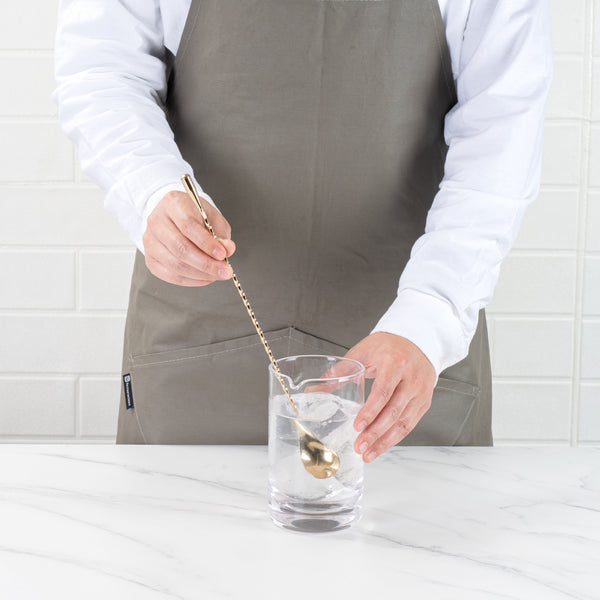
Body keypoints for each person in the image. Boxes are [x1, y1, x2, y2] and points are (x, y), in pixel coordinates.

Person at [53, 0, 553, 459]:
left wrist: (427, 323)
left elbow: (502, 130)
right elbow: (102, 68)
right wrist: (149, 188)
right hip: (194, 351)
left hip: (405, 362)